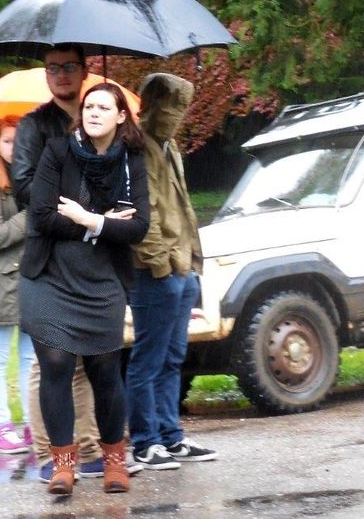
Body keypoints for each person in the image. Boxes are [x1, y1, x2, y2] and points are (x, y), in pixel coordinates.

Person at [19, 82, 149, 495]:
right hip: (49, 278)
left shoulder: (131, 160)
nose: (93, 112)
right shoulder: (58, 152)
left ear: (121, 117)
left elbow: (138, 227)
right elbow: (41, 216)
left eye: (103, 107)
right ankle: (62, 466)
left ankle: (114, 463)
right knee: (56, 364)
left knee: (105, 370)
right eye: (88, 105)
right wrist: (102, 223)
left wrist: (87, 219)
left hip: (102, 281)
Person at [12, 46, 121, 482]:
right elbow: (24, 188)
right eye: (52, 68)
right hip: (51, 258)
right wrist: (86, 213)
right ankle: (49, 457)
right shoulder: (35, 126)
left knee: (95, 360)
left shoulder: (104, 120)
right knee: (51, 362)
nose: (60, 75)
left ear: (85, 70)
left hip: (97, 263)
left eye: (68, 67)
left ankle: (93, 450)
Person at [127, 74, 215, 469]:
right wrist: (162, 266)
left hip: (180, 267)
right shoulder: (135, 147)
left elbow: (181, 208)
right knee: (148, 358)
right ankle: (145, 442)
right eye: (171, 105)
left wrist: (191, 261)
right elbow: (142, 213)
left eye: (182, 106)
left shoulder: (169, 146)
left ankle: (170, 437)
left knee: (172, 356)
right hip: (154, 271)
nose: (177, 114)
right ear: (152, 105)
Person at [0, 116, 34, 455]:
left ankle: (32, 423)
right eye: (8, 141)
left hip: (31, 280)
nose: (14, 147)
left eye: (20, 141)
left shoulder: (27, 178)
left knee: (31, 357)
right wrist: (29, 214)